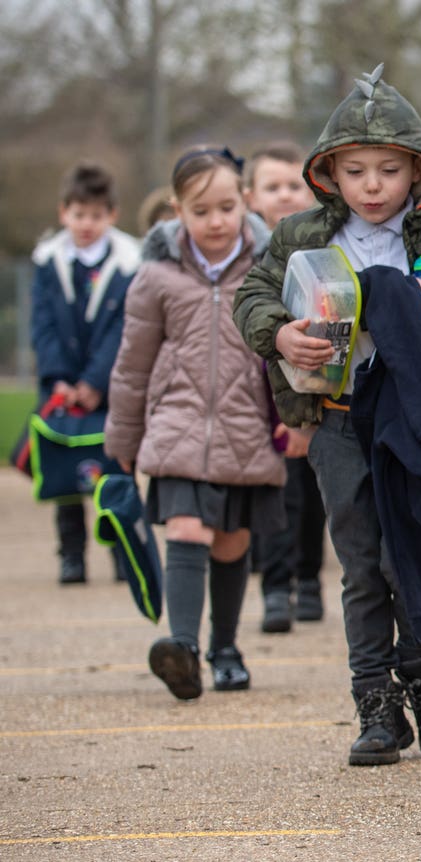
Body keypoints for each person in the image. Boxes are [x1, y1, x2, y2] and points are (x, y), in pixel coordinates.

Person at [234, 65, 421, 767]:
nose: (374, 185)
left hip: (414, 414)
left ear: (419, 170)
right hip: (338, 416)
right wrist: (280, 332)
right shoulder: (300, 235)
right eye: (356, 171)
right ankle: (375, 704)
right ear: (329, 173)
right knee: (359, 562)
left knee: (405, 549)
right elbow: (253, 298)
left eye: (390, 169)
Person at [105, 146, 285, 701]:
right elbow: (132, 365)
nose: (216, 221)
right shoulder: (155, 277)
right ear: (177, 211)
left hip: (246, 427)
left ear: (244, 204)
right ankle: (181, 648)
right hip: (175, 425)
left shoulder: (269, 267)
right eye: (201, 210)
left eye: (227, 207)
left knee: (231, 543)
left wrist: (297, 423)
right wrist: (123, 435)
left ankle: (224, 648)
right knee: (186, 528)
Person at [30, 161, 140, 585]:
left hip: (110, 388)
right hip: (62, 386)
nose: (86, 224)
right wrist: (59, 377)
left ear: (111, 215)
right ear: (64, 214)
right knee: (66, 469)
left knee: (115, 470)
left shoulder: (129, 263)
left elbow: (125, 329)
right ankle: (71, 554)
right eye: (78, 215)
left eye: (95, 215)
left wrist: (95, 382)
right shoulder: (48, 261)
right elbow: (43, 325)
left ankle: (120, 548)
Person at [242, 140, 326, 634]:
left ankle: (308, 578)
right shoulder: (244, 255)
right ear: (251, 196)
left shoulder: (320, 252)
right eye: (271, 187)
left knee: (307, 489)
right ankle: (275, 586)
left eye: (293, 185)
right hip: (251, 395)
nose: (283, 195)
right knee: (267, 493)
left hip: (304, 390)